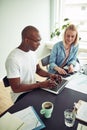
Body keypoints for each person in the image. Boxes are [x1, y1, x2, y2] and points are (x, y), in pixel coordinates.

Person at [5, 25, 61, 103]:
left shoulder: (32, 52)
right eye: (36, 41)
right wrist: (40, 84)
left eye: (40, 41)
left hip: (33, 88)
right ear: (26, 40)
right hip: (21, 94)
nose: (39, 44)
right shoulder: (13, 59)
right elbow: (16, 88)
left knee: (55, 98)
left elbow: (38, 70)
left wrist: (50, 75)